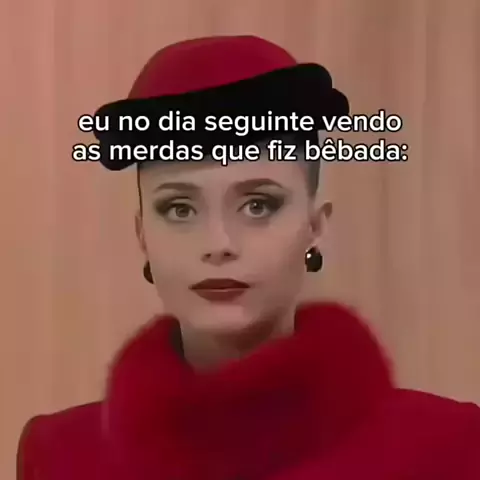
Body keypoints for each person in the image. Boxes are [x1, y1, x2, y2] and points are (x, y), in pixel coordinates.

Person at [17, 35, 480, 480]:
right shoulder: (61, 458)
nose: (218, 242)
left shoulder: (448, 448)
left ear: (315, 226)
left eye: (259, 205)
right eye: (179, 208)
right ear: (143, 235)